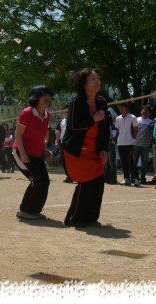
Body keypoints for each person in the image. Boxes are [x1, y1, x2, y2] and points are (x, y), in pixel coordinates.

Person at [62, 68, 110, 227]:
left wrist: (105, 148)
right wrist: (93, 119)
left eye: (98, 78)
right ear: (83, 84)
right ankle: (74, 219)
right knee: (86, 183)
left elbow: (106, 128)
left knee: (98, 184)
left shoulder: (102, 102)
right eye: (92, 79)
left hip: (95, 150)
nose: (97, 81)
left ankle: (91, 218)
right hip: (77, 150)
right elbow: (73, 127)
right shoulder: (77, 102)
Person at [13, 85, 54, 220]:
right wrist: (23, 154)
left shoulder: (46, 114)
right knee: (36, 181)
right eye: (44, 95)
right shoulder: (27, 113)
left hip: (36, 154)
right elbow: (18, 135)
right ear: (36, 98)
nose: (48, 98)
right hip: (21, 152)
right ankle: (23, 210)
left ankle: (35, 210)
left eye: (49, 95)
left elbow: (41, 135)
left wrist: (45, 150)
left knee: (45, 181)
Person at [116, 102, 139, 186]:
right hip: (120, 143)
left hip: (129, 143)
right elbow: (118, 130)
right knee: (123, 162)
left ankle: (136, 179)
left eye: (122, 107)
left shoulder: (132, 117)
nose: (121, 109)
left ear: (127, 107)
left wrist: (133, 139)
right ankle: (126, 178)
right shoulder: (118, 118)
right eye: (120, 107)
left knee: (132, 162)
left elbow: (136, 129)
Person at [134, 105, 153, 184]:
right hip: (135, 144)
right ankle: (135, 177)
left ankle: (143, 177)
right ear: (141, 111)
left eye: (147, 110)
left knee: (145, 162)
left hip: (145, 145)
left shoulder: (150, 122)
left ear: (149, 113)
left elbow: (152, 133)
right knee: (134, 161)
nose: (145, 111)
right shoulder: (136, 120)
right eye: (143, 110)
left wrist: (151, 140)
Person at [55, 105, 73, 183]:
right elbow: (58, 132)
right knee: (64, 160)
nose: (66, 113)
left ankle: (74, 175)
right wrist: (56, 142)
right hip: (63, 143)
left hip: (72, 143)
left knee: (72, 160)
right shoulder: (61, 121)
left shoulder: (74, 121)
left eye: (68, 111)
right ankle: (69, 176)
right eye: (65, 112)